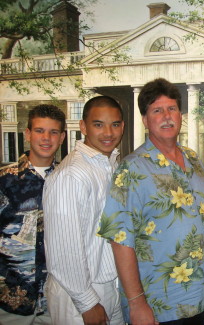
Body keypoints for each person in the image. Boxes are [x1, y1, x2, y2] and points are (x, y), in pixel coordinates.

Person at [98, 78, 204, 325]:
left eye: (172, 109)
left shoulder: (194, 160)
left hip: (198, 300)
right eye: (157, 110)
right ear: (145, 120)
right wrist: (137, 302)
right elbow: (120, 240)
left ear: (181, 115)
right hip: (157, 306)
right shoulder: (131, 169)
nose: (166, 116)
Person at [42, 96, 125, 325]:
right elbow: (63, 246)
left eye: (115, 124)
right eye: (98, 124)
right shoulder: (72, 174)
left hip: (110, 285)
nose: (108, 132)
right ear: (83, 126)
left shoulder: (110, 164)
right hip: (79, 295)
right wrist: (86, 302)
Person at [0, 105, 65, 325]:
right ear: (28, 134)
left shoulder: (68, 181)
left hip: (54, 303)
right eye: (39, 130)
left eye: (53, 132)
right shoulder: (4, 180)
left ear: (62, 137)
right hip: (9, 302)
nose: (46, 138)